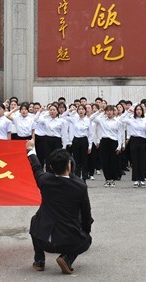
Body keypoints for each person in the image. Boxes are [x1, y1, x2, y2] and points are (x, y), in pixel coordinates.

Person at [26, 141, 93, 274]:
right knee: (87, 239)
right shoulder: (80, 187)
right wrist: (85, 234)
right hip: (69, 242)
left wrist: (30, 150)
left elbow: (36, 167)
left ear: (50, 166)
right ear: (69, 165)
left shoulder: (44, 180)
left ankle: (39, 260)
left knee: (35, 220)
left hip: (43, 241)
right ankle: (67, 258)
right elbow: (86, 214)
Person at [91, 105, 124, 187]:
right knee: (105, 161)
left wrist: (119, 145)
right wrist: (99, 112)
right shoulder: (102, 120)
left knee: (113, 161)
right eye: (107, 111)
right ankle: (107, 179)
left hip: (114, 141)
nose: (109, 112)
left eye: (110, 110)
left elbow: (119, 134)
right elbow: (91, 118)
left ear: (113, 111)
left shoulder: (117, 121)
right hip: (104, 141)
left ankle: (112, 179)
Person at [119, 103, 146, 187]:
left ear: (142, 111)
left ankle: (142, 179)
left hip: (142, 140)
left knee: (142, 160)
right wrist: (127, 112)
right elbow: (121, 119)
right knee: (135, 161)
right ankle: (136, 179)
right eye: (137, 110)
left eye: (140, 110)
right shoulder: (131, 119)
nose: (138, 111)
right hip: (134, 140)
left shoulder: (145, 120)